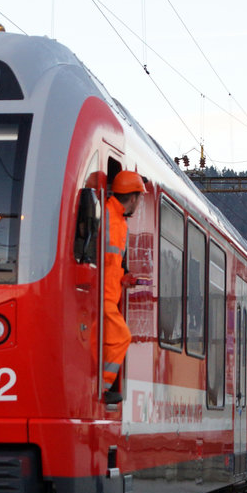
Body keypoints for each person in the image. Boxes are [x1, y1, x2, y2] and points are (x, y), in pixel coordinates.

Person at [102, 170, 145, 405]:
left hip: (108, 292)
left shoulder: (118, 220)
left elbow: (111, 261)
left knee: (115, 338)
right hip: (102, 296)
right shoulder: (109, 217)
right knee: (121, 338)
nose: (139, 204)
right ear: (133, 197)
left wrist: (123, 277)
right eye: (139, 198)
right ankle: (102, 388)